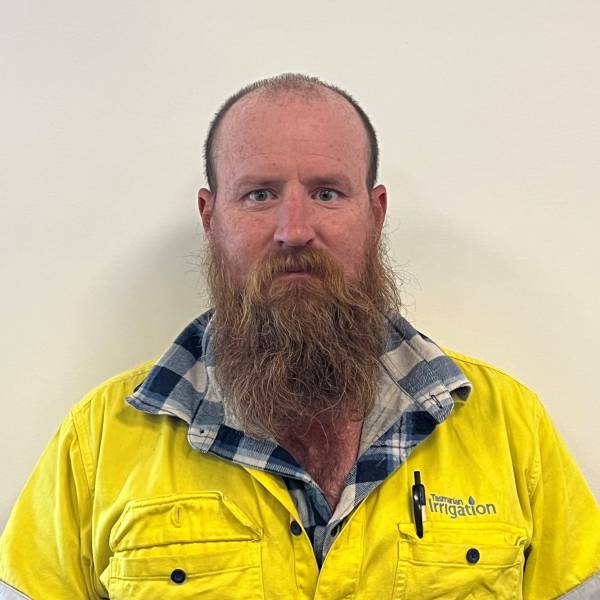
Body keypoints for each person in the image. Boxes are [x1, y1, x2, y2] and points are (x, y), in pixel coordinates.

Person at [0, 73, 598, 600]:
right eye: (259, 194)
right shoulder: (99, 442)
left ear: (375, 213)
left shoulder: (507, 427)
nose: (294, 230)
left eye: (326, 193)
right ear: (210, 217)